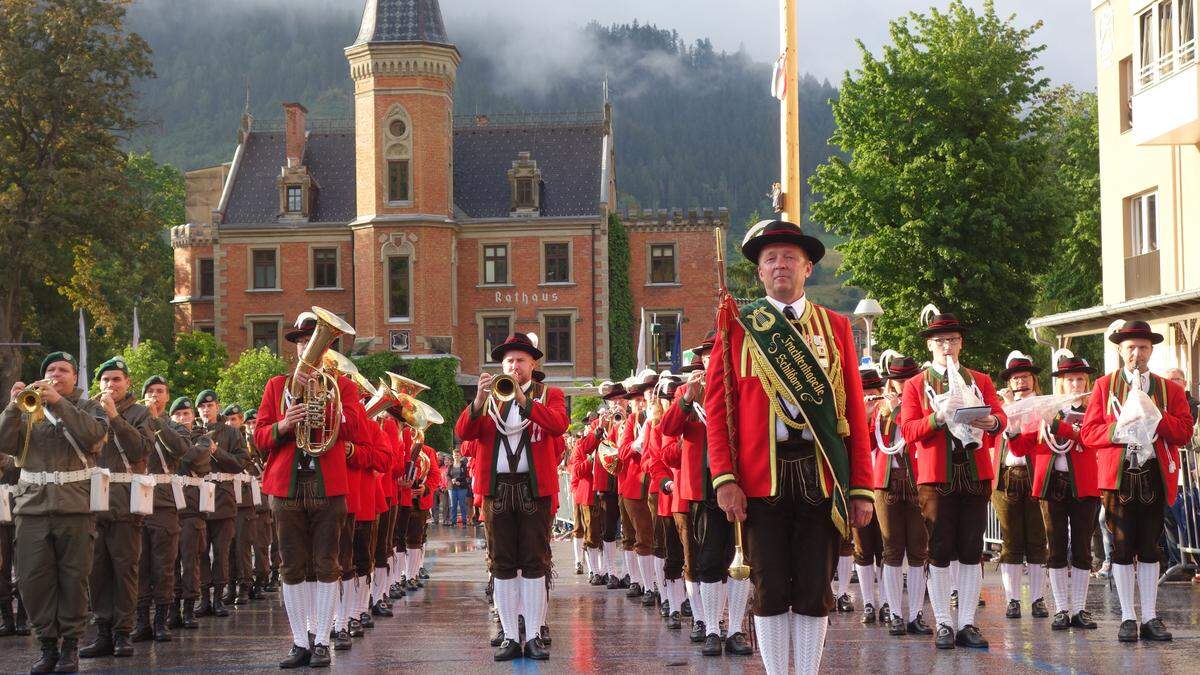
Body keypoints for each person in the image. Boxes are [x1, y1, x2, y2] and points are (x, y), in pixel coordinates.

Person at [706, 220, 874, 674]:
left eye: (789, 258)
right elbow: (719, 412)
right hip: (762, 479)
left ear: (809, 268)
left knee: (815, 588)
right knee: (770, 585)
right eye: (770, 259)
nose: (780, 265)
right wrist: (724, 478)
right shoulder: (738, 327)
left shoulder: (837, 327)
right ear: (760, 273)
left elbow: (855, 413)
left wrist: (860, 487)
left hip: (820, 474)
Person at [254, 311, 376, 668]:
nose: (308, 348)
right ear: (295, 348)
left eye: (315, 342)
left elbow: (358, 430)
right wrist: (283, 424)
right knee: (292, 565)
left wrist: (334, 410)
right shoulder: (277, 386)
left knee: (327, 563)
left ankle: (322, 639)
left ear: (327, 351)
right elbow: (260, 438)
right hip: (287, 486)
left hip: (328, 485)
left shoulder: (344, 386)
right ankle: (299, 641)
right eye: (303, 342)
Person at [455, 332, 569, 661]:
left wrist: (524, 400)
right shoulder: (489, 399)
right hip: (498, 489)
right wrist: (477, 401)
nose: (514, 365)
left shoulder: (551, 394)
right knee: (502, 563)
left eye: (520, 360)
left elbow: (559, 425)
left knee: (535, 562)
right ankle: (507, 634)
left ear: (533, 363)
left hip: (535, 489)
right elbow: (464, 434)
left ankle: (533, 634)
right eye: (508, 361)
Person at [1080, 320, 1194, 642]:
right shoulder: (1105, 386)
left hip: (1154, 474)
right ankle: (1128, 618)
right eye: (1131, 347)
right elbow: (1089, 433)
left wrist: (1156, 414)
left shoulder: (1168, 389)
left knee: (1149, 547)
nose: (1137, 353)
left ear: (1151, 351)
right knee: (1120, 548)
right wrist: (1119, 429)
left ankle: (1151, 617)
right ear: (1120, 350)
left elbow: (1184, 431)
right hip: (1119, 477)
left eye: (1143, 347)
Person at [900, 306, 1004, 650]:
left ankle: (967, 624)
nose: (947, 346)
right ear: (930, 346)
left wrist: (993, 423)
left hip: (974, 472)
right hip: (937, 476)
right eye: (940, 341)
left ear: (960, 344)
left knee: (972, 550)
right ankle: (944, 621)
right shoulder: (916, 385)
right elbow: (909, 429)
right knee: (940, 549)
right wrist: (937, 418)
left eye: (953, 340)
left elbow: (999, 416)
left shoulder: (980, 379)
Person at [1, 352, 108, 673]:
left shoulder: (88, 406)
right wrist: (12, 406)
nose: (56, 374)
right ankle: (47, 645)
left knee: (73, 580)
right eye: (50, 369)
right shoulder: (27, 408)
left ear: (75, 378)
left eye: (63, 370)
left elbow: (94, 435)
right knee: (33, 580)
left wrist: (59, 402)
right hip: (32, 508)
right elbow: (4, 443)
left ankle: (70, 646)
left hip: (74, 508)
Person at [1008, 350, 1100, 630]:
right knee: (1055, 546)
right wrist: (1012, 428)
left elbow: (1092, 439)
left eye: (1080, 380)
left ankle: (1080, 609)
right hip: (1050, 483)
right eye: (1070, 380)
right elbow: (1020, 448)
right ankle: (1061, 608)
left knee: (1082, 548)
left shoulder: (1094, 409)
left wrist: (1058, 424)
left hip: (1084, 483)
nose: (1076, 385)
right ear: (1061, 383)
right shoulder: (1044, 408)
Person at [79, 357, 154, 660]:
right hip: (94, 503)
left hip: (125, 503)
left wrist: (115, 418)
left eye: (117, 380)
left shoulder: (140, 413)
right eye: (105, 380)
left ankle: (123, 632)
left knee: (125, 570)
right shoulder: (88, 411)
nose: (110, 385)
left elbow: (140, 450)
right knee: (97, 572)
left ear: (128, 383)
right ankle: (103, 632)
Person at [133, 375, 200, 643]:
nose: (155, 396)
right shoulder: (134, 421)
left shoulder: (176, 427)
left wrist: (157, 420)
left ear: (167, 397)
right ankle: (141, 621)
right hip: (136, 499)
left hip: (163, 502)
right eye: (150, 391)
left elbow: (183, 450)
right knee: (139, 565)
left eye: (160, 391)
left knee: (164, 564)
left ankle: (161, 620)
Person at [871, 352, 932, 637]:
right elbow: (868, 441)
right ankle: (895, 613)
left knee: (919, 551)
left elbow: (917, 431)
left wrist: (897, 411)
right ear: (890, 383)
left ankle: (916, 614)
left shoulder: (926, 406)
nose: (903, 384)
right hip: (886, 483)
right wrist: (880, 410)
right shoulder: (878, 409)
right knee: (892, 550)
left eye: (908, 379)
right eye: (897, 380)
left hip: (918, 481)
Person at [994, 352, 1049, 620]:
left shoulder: (1042, 405)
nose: (1019, 383)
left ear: (1033, 380)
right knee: (1010, 541)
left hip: (1035, 473)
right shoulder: (999, 407)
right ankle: (1013, 599)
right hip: (1006, 476)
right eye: (1015, 379)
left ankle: (1038, 598)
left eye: (1024, 378)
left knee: (1037, 540)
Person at [194, 389, 249, 619]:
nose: (206, 410)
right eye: (202, 407)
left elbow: (240, 463)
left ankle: (219, 598)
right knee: (201, 552)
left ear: (217, 407)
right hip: (197, 498)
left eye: (210, 406)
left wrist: (217, 451)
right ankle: (204, 598)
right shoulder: (191, 432)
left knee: (222, 552)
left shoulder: (231, 433)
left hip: (223, 497)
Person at [167, 396, 213, 632]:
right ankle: (172, 610)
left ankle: (188, 608)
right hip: (169, 505)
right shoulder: (164, 435)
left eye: (186, 414)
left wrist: (176, 443)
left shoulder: (203, 439)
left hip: (192, 509)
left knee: (190, 560)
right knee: (169, 563)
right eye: (178, 415)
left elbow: (193, 457)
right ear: (171, 417)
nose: (183, 418)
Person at [853, 363, 887, 624]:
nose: (870, 397)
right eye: (865, 392)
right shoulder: (854, 415)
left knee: (887, 549)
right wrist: (863, 414)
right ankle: (867, 603)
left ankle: (887, 602)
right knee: (864, 549)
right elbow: (860, 445)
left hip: (886, 487)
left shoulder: (889, 413)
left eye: (874, 391)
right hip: (862, 489)